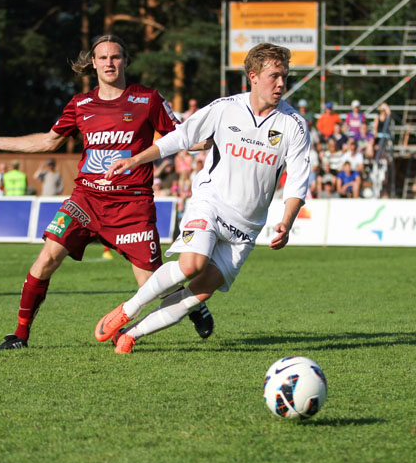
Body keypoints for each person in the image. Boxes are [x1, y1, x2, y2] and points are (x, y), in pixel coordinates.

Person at [0, 33, 214, 349]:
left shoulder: (147, 99)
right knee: (46, 259)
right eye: (103, 57)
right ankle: (20, 336)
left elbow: (182, 137)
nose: (110, 63)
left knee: (153, 285)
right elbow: (48, 141)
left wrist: (219, 136)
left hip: (131, 205)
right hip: (86, 200)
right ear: (92, 63)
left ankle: (195, 303)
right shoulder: (80, 104)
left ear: (125, 61)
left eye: (116, 56)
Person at [93, 42, 310, 354]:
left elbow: (298, 182)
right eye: (275, 76)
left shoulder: (294, 125)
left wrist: (286, 223)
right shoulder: (225, 108)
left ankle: (130, 335)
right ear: (253, 76)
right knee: (192, 263)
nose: (281, 84)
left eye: (284, 77)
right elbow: (181, 137)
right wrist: (135, 160)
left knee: (201, 291)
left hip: (246, 228)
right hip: (211, 203)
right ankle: (128, 309)